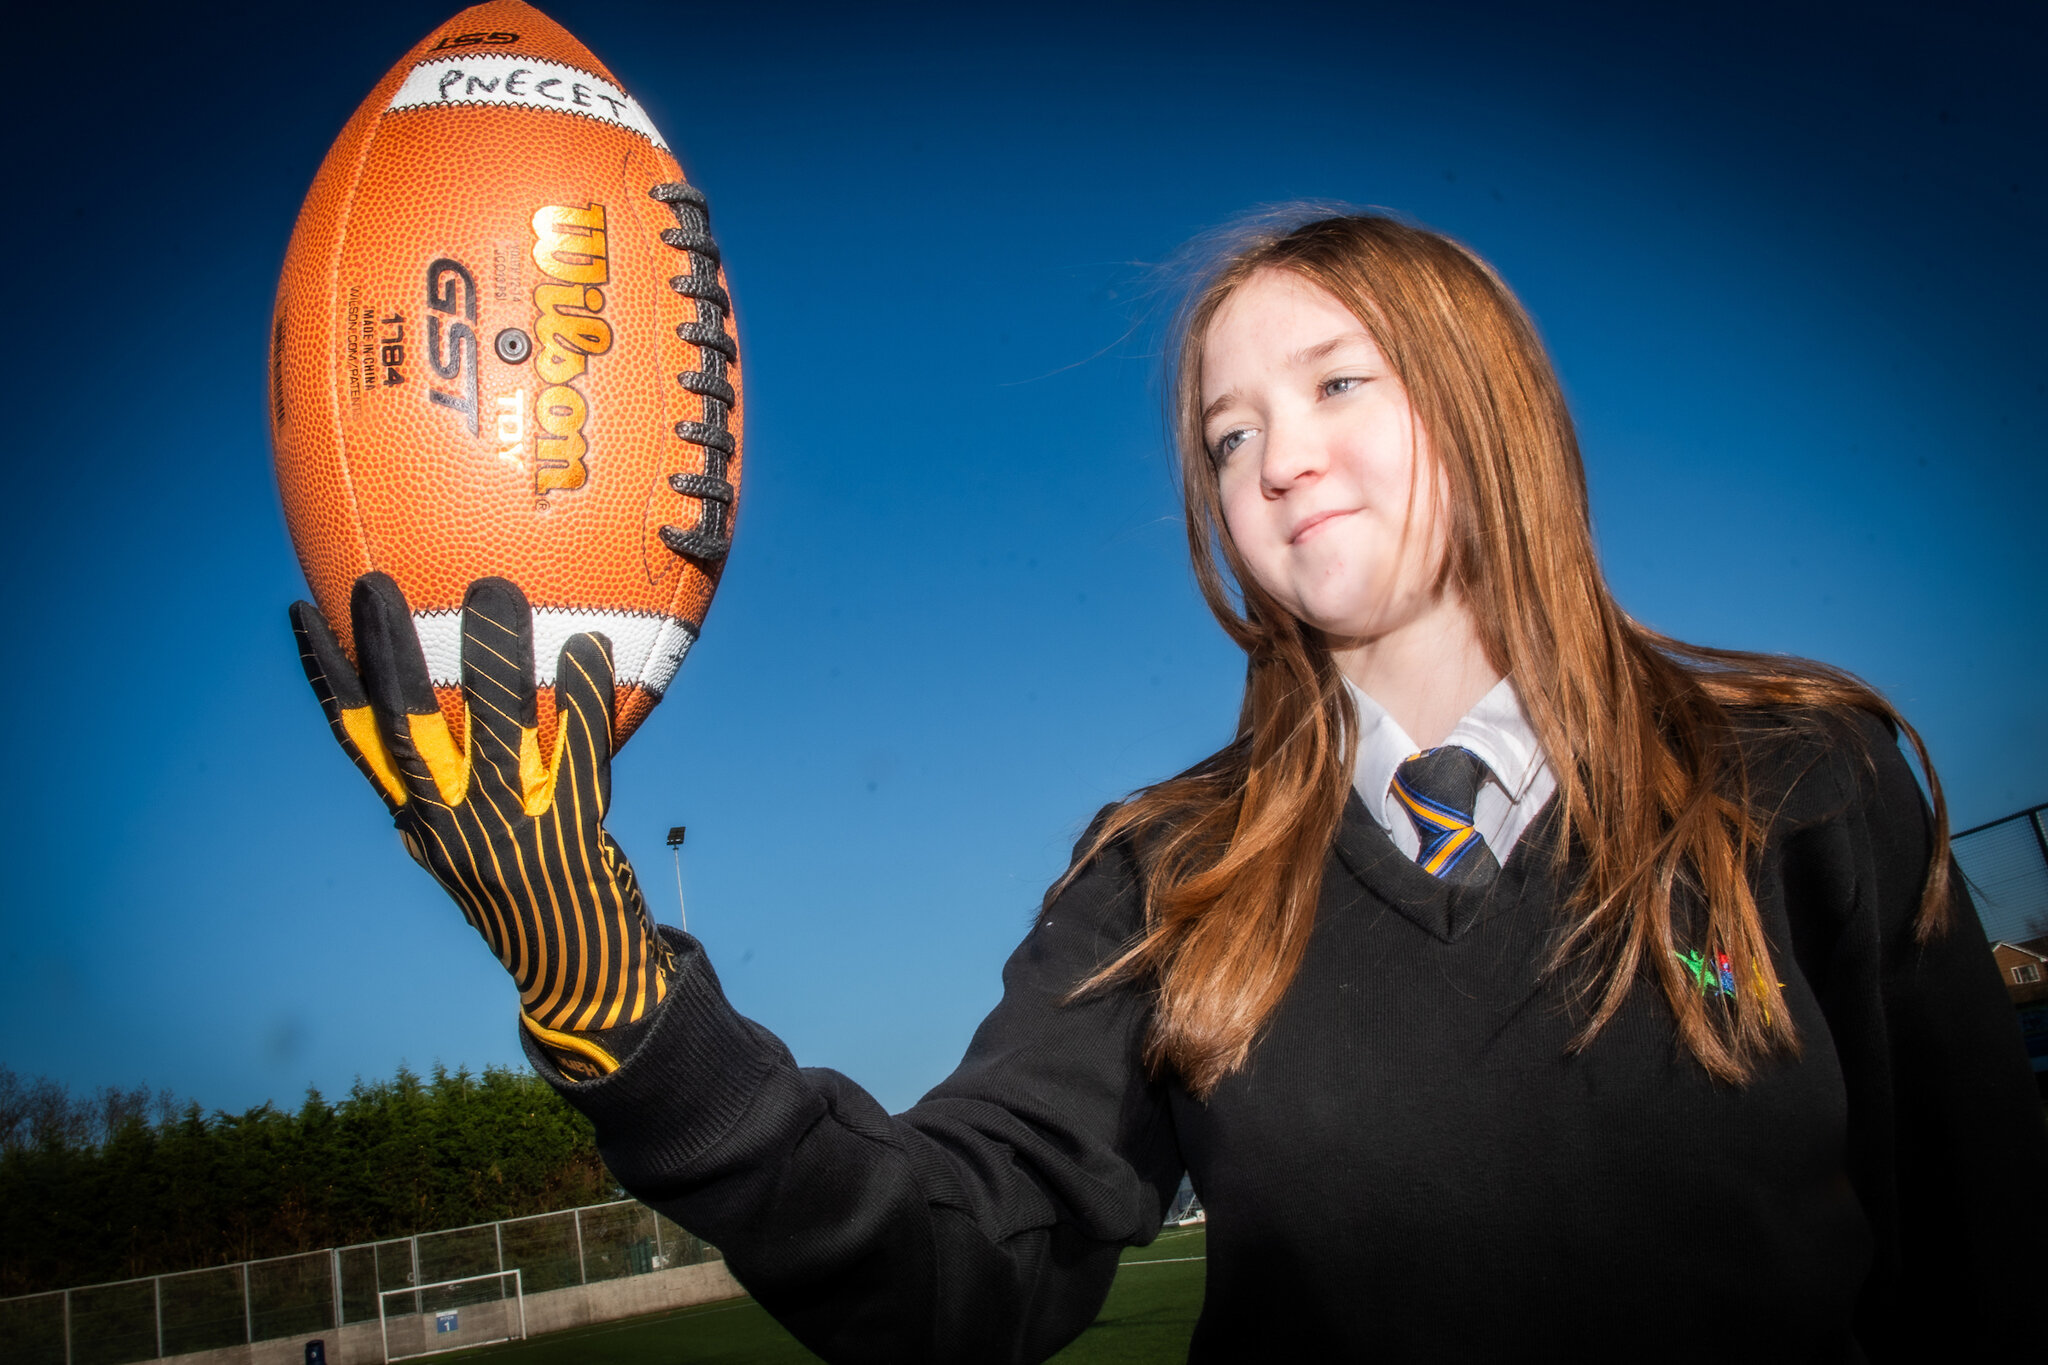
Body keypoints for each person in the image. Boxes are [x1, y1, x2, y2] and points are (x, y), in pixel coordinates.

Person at [292, 212, 2048, 1362]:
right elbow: (960, 1260)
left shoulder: (1801, 779)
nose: (1276, 455)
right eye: (1225, 432)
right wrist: (632, 1020)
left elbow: (1984, 1265)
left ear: (1486, 399)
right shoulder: (1169, 876)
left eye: (1336, 380)